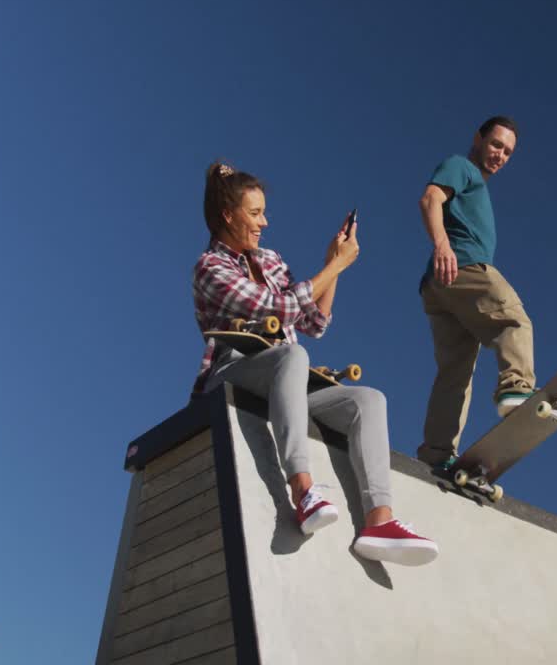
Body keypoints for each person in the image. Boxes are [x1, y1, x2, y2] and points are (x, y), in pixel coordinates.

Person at [193, 161, 437, 566]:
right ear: (227, 215)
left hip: (284, 377)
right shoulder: (210, 268)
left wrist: (332, 264)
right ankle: (302, 491)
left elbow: (314, 322)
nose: (264, 222)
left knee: (367, 399)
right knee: (292, 355)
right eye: (255, 213)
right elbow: (278, 306)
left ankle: (380, 520)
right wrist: (335, 265)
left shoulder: (270, 261)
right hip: (234, 371)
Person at [415, 116, 536, 470]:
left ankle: (437, 453)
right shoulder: (461, 167)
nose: (500, 155)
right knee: (513, 319)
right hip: (462, 267)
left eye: (508, 152)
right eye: (496, 145)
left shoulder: (476, 186)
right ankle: (516, 385)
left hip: (439, 288)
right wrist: (441, 245)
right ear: (478, 138)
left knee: (456, 372)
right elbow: (430, 199)